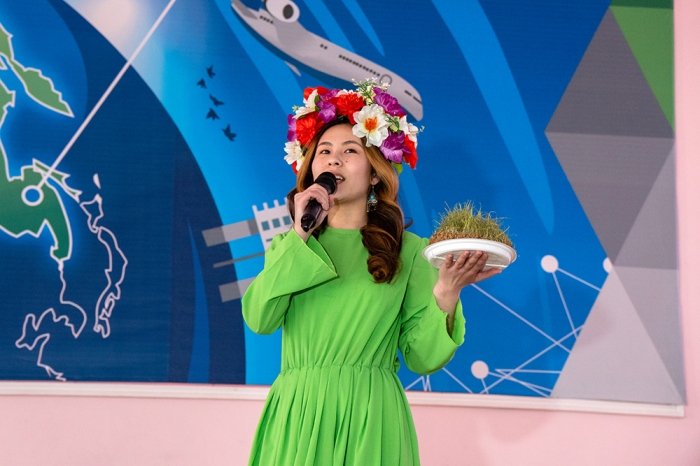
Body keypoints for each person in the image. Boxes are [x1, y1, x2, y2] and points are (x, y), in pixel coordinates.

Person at [242, 79, 500, 465]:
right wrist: (300, 233)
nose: (334, 160)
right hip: (299, 412)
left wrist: (447, 291)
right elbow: (260, 319)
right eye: (324, 151)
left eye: (350, 150)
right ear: (310, 168)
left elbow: (423, 359)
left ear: (375, 173)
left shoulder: (409, 251)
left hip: (372, 416)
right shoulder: (290, 244)